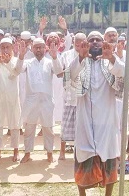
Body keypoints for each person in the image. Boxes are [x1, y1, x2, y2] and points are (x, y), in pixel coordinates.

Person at [69, 31, 124, 196]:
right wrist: (80, 57)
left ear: (104, 43)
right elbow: (69, 75)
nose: (94, 42)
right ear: (86, 44)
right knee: (83, 155)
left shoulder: (110, 63)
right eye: (91, 40)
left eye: (98, 40)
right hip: (85, 120)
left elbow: (123, 74)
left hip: (107, 120)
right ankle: (82, 194)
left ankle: (108, 194)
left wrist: (112, 57)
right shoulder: (80, 62)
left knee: (108, 156)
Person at [14, 38, 62, 163]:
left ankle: (50, 153)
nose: (39, 50)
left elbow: (59, 72)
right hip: (31, 101)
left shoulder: (50, 62)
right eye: (36, 47)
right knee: (29, 128)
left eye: (41, 47)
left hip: (46, 101)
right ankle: (27, 153)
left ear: (45, 48)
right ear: (33, 49)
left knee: (48, 129)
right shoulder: (28, 62)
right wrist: (21, 56)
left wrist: (55, 56)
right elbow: (17, 70)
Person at [0, 37, 21, 162]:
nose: (5, 50)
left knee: (15, 124)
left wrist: (7, 63)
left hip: (13, 97)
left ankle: (16, 151)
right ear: (0, 48)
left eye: (8, 47)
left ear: (12, 48)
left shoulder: (16, 61)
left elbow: (15, 73)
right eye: (3, 47)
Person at [58, 32, 86, 160]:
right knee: (66, 125)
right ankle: (62, 152)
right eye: (77, 43)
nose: (79, 46)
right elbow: (60, 73)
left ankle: (80, 152)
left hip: (84, 95)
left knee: (82, 126)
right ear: (74, 42)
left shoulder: (89, 56)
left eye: (82, 43)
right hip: (70, 94)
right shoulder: (66, 55)